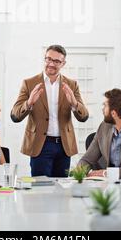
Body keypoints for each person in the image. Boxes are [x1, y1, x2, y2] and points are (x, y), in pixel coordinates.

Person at [11, 44, 89, 177]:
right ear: (45, 59)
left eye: (57, 61)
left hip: (64, 145)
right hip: (40, 145)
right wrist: (29, 102)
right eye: (48, 59)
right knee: (40, 189)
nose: (51, 64)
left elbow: (84, 116)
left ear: (63, 63)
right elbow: (15, 116)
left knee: (61, 190)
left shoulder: (71, 85)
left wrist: (74, 103)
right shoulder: (29, 83)